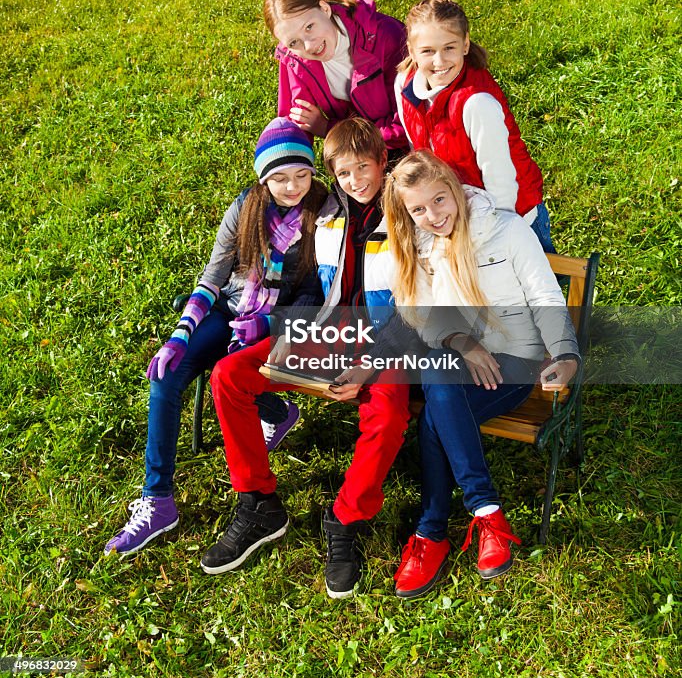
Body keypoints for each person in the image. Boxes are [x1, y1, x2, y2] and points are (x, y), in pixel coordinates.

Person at [200, 117, 410, 598]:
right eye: (343, 173)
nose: (355, 181)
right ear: (331, 176)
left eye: (364, 168)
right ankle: (258, 502)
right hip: (331, 327)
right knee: (231, 374)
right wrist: (292, 331)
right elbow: (320, 284)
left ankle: (345, 519)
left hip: (391, 337)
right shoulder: (330, 211)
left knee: (390, 407)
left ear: (383, 163)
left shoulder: (407, 214)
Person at [104, 119, 328, 557]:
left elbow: (313, 294)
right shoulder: (246, 207)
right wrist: (179, 335)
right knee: (165, 377)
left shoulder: (320, 214)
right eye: (280, 177)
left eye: (302, 174)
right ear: (263, 179)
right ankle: (158, 499)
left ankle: (274, 410)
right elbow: (213, 277)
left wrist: (265, 325)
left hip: (278, 320)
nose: (293, 187)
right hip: (230, 308)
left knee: (237, 364)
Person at [382, 150, 579, 599]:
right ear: (406, 212)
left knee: (436, 410)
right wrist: (460, 341)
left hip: (515, 363)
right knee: (437, 381)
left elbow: (545, 295)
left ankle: (432, 531)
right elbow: (422, 315)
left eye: (439, 200)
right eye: (418, 209)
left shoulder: (505, 230)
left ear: (455, 189)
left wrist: (565, 352)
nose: (432, 215)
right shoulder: (420, 244)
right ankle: (487, 514)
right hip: (459, 364)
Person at [395, 0, 554, 251]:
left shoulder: (477, 103)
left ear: (465, 44)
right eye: (427, 51)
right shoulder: (403, 85)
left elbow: (501, 183)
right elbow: (419, 152)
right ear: (412, 51)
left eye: (449, 48)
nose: (439, 61)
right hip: (457, 212)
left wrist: (499, 242)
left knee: (532, 287)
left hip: (511, 213)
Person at [264, 0, 408, 155]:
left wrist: (329, 129)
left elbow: (405, 126)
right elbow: (293, 127)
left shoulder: (386, 37)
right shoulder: (295, 58)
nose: (308, 46)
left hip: (407, 149)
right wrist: (288, 173)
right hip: (351, 155)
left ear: (324, 9)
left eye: (309, 27)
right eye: (294, 42)